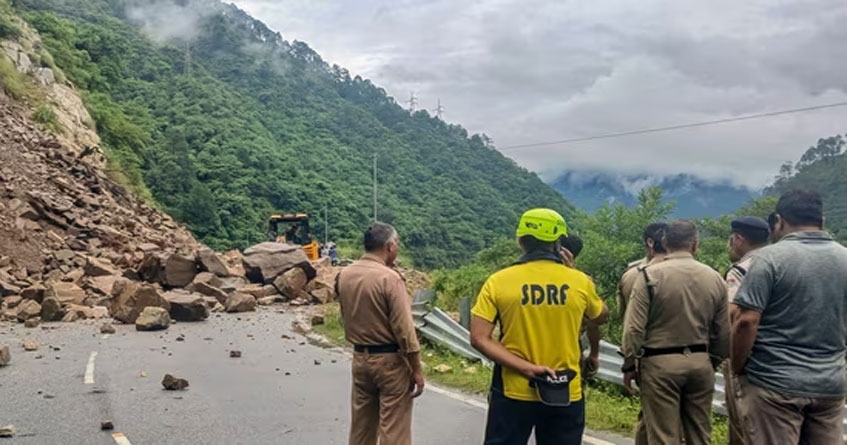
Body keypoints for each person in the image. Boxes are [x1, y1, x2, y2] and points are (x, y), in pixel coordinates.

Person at [470, 208, 609, 444]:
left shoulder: (499, 280)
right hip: (566, 388)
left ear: (520, 241)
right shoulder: (579, 282)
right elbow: (601, 316)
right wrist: (575, 276)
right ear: (558, 243)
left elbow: (479, 338)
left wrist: (526, 368)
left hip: (513, 389)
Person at [731, 189, 847, 445]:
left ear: (779, 221)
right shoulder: (844, 258)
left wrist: (738, 366)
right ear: (823, 221)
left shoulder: (769, 259)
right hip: (829, 385)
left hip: (773, 385)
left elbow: (746, 320)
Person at [622, 220, 729, 445]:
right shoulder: (715, 278)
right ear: (695, 244)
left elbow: (633, 328)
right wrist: (712, 360)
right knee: (700, 433)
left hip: (659, 363)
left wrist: (630, 363)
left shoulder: (649, 276)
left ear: (665, 242)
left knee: (663, 435)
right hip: (701, 362)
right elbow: (723, 332)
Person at [335, 222, 425, 445]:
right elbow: (404, 330)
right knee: (394, 430)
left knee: (361, 427)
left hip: (359, 359)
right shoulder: (389, 278)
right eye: (397, 245)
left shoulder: (344, 275)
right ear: (389, 246)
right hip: (390, 362)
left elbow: (345, 315)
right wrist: (416, 368)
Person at [615, 221, 667, 445]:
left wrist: (629, 362)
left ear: (649, 242)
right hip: (693, 359)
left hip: (648, 358)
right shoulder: (702, 272)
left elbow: (629, 324)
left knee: (650, 418)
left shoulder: (633, 275)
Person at [722, 216, 769, 445]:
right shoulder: (777, 262)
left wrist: (734, 362)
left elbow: (735, 317)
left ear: (739, 239)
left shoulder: (740, 270)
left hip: (747, 356)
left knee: (741, 423)